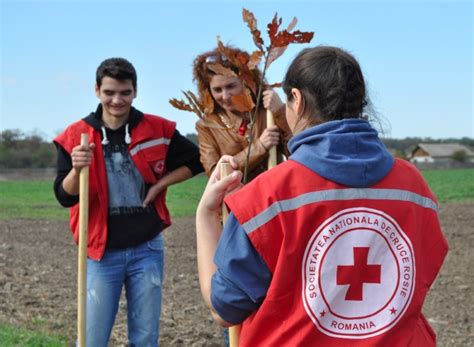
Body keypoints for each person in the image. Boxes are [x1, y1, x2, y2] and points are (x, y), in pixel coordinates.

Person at [196, 46, 448, 346]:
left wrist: (206, 216)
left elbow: (226, 308)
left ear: (297, 101)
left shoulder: (264, 198)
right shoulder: (414, 188)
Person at [53, 57, 203, 346]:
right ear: (97, 90)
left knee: (145, 337)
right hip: (99, 251)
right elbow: (63, 195)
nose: (117, 100)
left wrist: (160, 184)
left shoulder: (157, 129)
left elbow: (197, 161)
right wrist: (76, 169)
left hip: (147, 248)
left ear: (135, 91)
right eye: (109, 93)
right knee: (91, 339)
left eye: (125, 92)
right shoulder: (76, 136)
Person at [192, 46, 291, 181]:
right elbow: (216, 174)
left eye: (231, 86)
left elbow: (297, 152)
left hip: (274, 195)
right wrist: (259, 147)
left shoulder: (267, 111)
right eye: (217, 90)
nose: (225, 96)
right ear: (208, 90)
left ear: (246, 83)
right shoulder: (206, 125)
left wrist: (280, 111)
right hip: (235, 199)